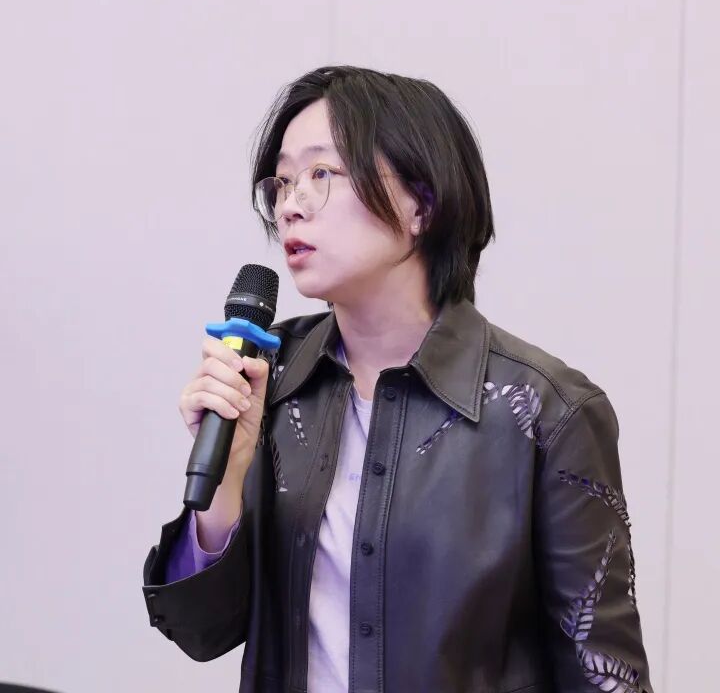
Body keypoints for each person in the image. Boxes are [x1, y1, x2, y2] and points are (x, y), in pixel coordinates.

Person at [142, 65, 654, 693]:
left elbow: (604, 675)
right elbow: (201, 632)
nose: (291, 205)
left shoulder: (547, 413)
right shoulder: (271, 378)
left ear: (421, 205)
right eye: (282, 181)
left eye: (321, 174)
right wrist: (227, 477)